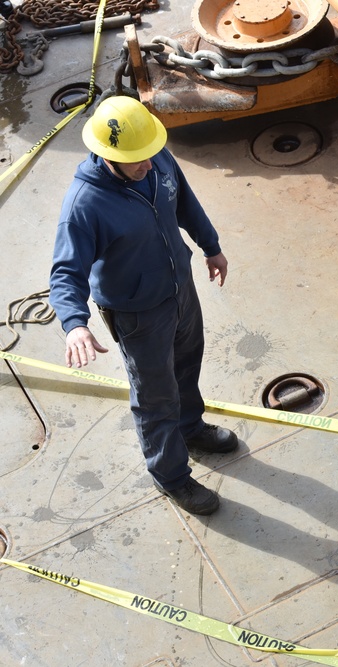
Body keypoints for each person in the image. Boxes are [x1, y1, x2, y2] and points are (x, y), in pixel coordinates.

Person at [49, 95, 238, 515]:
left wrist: (211, 246)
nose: (148, 165)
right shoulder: (85, 205)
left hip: (180, 290)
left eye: (150, 154)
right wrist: (75, 323)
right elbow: (66, 272)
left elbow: (184, 201)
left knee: (188, 362)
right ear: (107, 155)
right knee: (155, 397)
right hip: (138, 314)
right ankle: (172, 477)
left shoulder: (152, 154)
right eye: (136, 160)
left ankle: (191, 427)